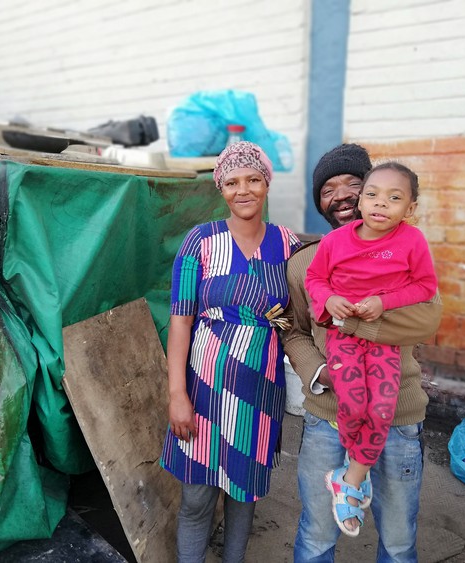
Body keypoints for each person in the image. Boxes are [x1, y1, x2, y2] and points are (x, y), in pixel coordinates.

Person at [283, 143, 443, 563]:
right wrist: (318, 372)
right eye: (328, 189)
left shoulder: (406, 253)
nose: (342, 195)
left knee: (397, 540)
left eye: (354, 184)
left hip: (399, 413)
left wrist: (354, 322)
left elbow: (427, 320)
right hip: (327, 415)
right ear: (319, 201)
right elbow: (292, 328)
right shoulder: (305, 263)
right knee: (316, 535)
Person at [160, 141, 302, 563]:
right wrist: (177, 394)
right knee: (197, 498)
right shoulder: (199, 242)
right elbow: (181, 321)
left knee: (244, 496)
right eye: (233, 182)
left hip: (259, 393)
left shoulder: (287, 244)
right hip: (203, 391)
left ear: (267, 185)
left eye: (253, 179)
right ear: (221, 188)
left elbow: (296, 320)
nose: (244, 190)